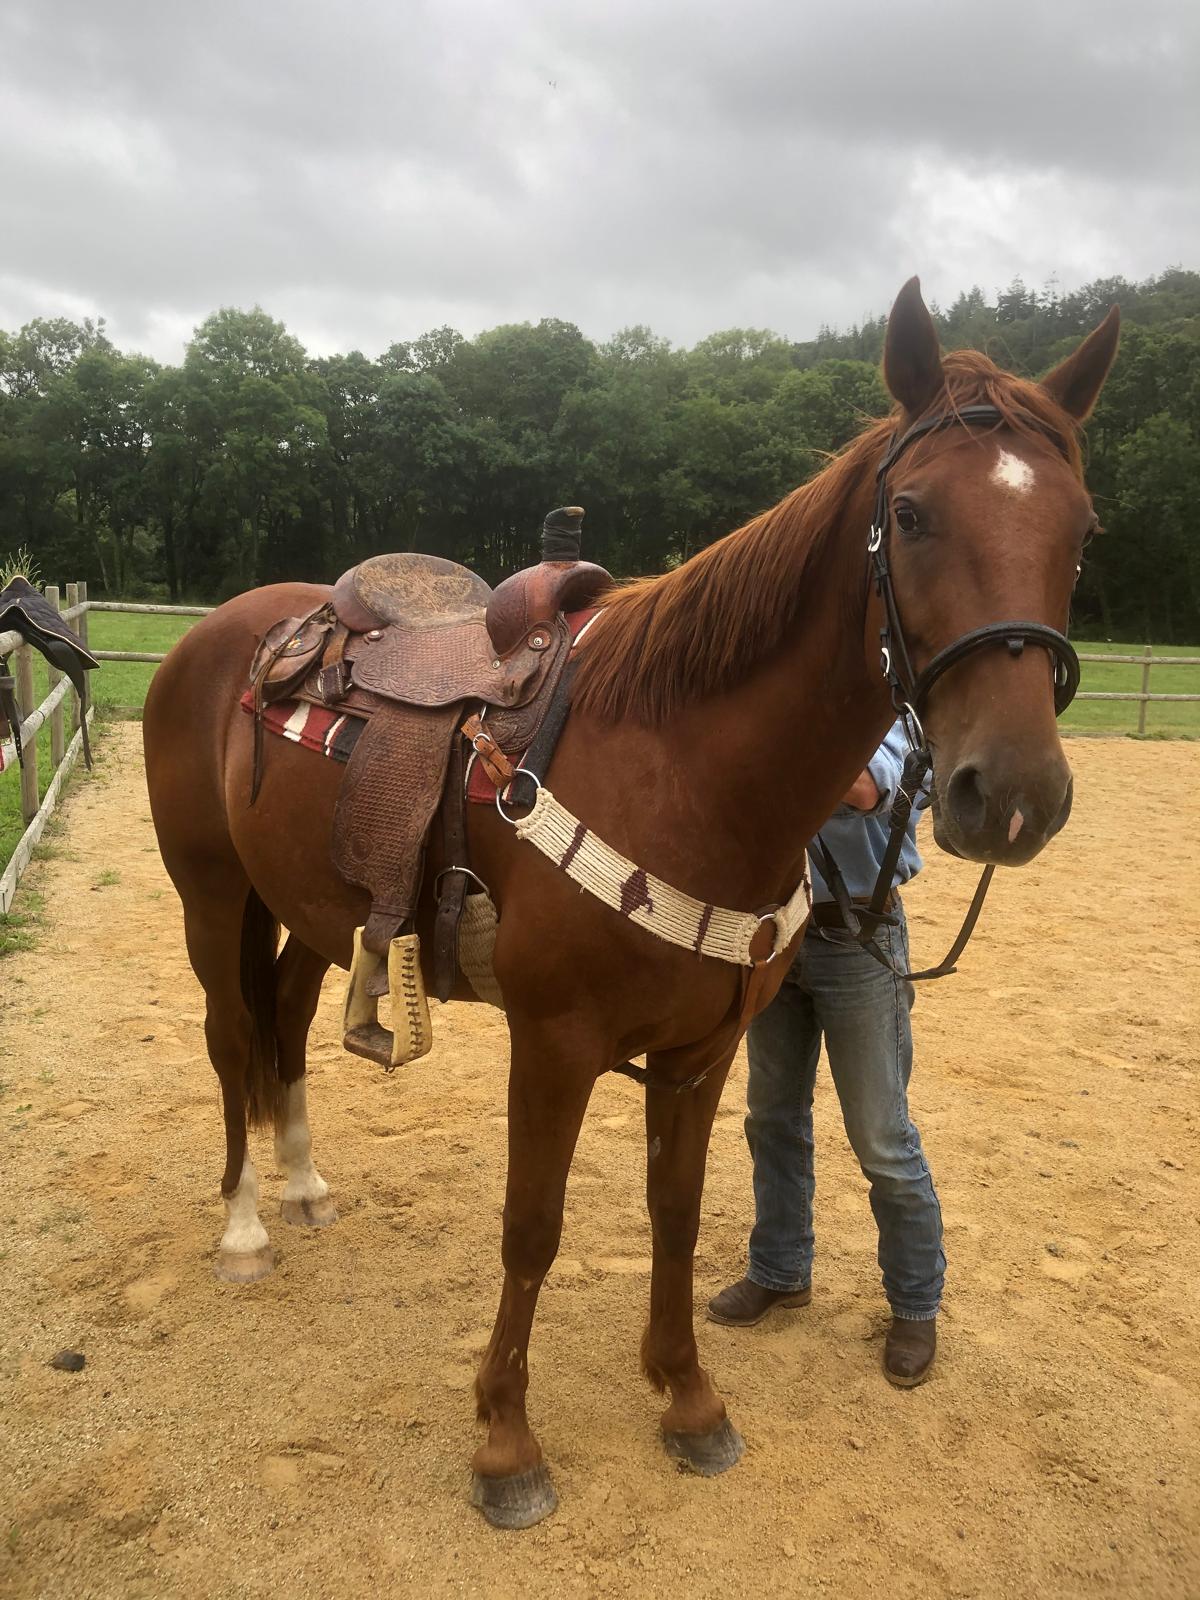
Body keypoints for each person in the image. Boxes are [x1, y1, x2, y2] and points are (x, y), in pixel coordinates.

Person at [707, 721, 944, 1387]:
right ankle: (780, 1271)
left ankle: (915, 1303)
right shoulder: (803, 706)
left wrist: (767, 742)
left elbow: (865, 788)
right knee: (773, 1118)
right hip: (779, 935)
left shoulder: (888, 715)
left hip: (860, 941)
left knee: (882, 1139)